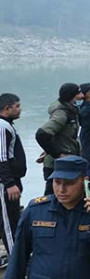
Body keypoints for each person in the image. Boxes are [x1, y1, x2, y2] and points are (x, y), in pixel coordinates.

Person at [5, 156, 90, 279]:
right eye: (57, 182)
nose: (61, 189)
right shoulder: (35, 210)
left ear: (85, 181)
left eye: (69, 183)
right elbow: (17, 259)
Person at [35, 83, 82, 196]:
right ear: (72, 96)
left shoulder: (71, 110)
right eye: (79, 93)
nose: (82, 95)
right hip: (57, 165)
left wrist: (48, 150)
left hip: (68, 161)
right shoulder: (61, 114)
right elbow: (42, 134)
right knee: (52, 197)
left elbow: (60, 135)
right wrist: (57, 154)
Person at [0, 93, 26, 264]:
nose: (19, 109)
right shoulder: (2, 126)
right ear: (7, 108)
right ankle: (17, 261)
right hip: (5, 184)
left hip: (11, 180)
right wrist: (9, 183)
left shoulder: (7, 125)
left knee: (12, 219)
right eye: (17, 106)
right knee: (9, 222)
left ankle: (16, 256)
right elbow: (1, 157)